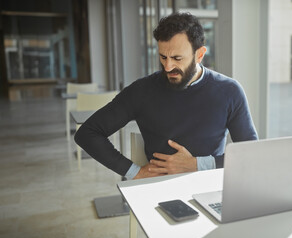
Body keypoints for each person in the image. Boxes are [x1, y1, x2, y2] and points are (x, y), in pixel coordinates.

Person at [75, 12, 258, 179]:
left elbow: (251, 153)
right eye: (163, 57)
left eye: (177, 58)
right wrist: (135, 172)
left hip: (211, 185)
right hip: (159, 189)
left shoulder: (229, 91)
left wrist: (197, 164)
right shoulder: (142, 90)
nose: (168, 67)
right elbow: (88, 133)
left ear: (200, 54)